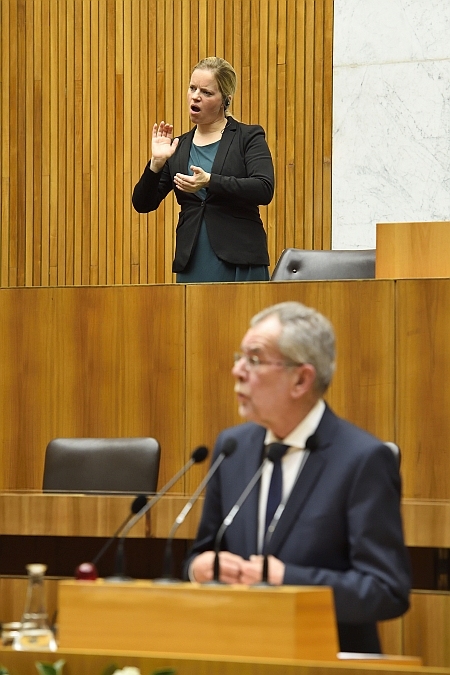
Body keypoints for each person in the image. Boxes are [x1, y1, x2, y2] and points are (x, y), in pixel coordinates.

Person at [183, 301, 411, 654]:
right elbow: (204, 552)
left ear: (301, 379)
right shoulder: (233, 448)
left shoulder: (362, 460)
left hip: (325, 660)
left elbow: (386, 591)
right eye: (239, 357)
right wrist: (198, 569)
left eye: (254, 360)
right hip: (236, 654)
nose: (237, 371)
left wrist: (286, 580)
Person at [132, 57, 274, 282]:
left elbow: (264, 188)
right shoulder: (177, 147)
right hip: (193, 258)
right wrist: (156, 164)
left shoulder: (248, 137)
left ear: (224, 101)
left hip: (240, 259)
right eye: (192, 88)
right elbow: (142, 204)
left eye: (206, 92)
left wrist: (211, 181)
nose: (196, 96)